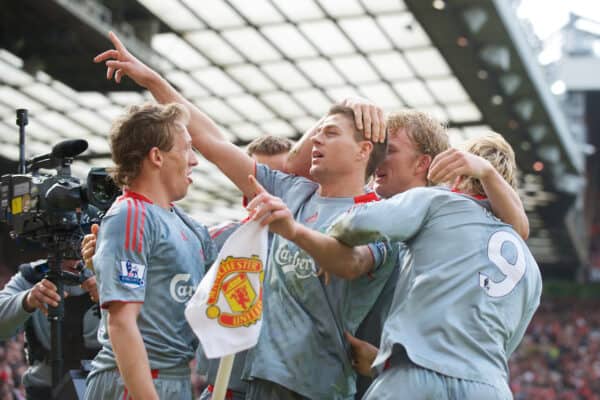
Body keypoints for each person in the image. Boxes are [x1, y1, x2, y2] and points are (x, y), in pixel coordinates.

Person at [95, 32, 394, 399]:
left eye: (330, 134)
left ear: (364, 150)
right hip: (252, 380)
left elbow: (352, 264)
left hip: (316, 386)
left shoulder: (379, 215)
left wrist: (294, 231)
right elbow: (214, 143)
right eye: (317, 133)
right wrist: (153, 81)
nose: (316, 140)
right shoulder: (291, 191)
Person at [248, 132, 541, 399]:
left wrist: (330, 242)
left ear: (456, 173)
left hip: (415, 376)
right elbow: (505, 344)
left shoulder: (438, 202)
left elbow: (357, 223)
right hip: (490, 387)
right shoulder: (531, 269)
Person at [83, 103, 217, 400]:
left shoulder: (191, 227)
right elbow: (121, 322)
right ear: (157, 157)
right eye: (187, 149)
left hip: (174, 378)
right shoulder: (130, 215)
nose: (194, 160)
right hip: (135, 382)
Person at [0, 256, 99, 400]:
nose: (73, 261)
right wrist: (27, 300)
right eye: (64, 255)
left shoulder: (110, 271)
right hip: (44, 390)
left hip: (102, 387)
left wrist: (113, 296)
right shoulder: (32, 275)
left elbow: (141, 327)